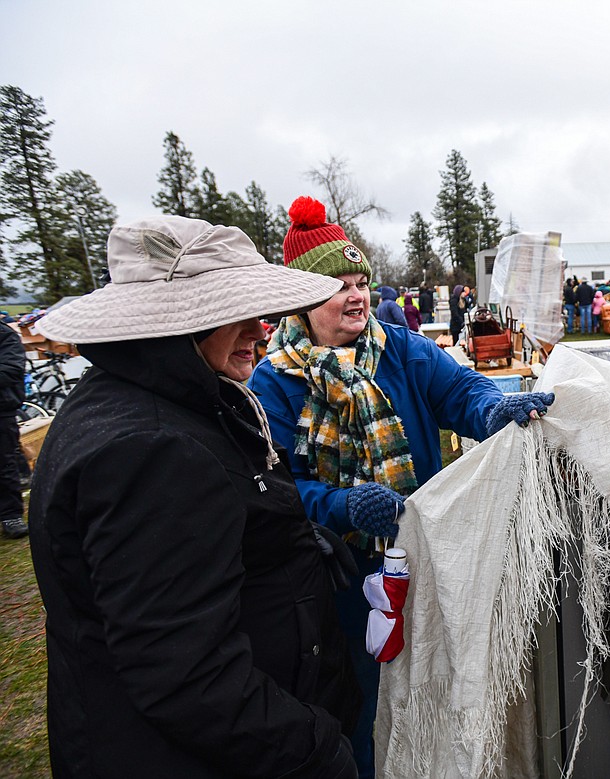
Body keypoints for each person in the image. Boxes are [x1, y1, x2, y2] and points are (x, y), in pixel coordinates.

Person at [28, 215, 362, 777]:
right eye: (240, 312)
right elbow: (187, 675)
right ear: (178, 324)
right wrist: (316, 750)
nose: (263, 328)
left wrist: (292, 543)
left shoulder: (152, 401)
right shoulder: (149, 449)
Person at [249, 196, 554, 779]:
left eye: (360, 280)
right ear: (303, 299)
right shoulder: (274, 381)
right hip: (337, 578)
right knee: (366, 702)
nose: (357, 295)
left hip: (417, 557)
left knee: (433, 679)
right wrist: (342, 505)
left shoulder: (399, 348)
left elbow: (460, 391)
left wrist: (492, 410)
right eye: (338, 284)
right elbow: (278, 490)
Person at [0, 321, 26, 539]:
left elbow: (11, 370)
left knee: (4, 464)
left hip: (1, 410)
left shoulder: (5, 335)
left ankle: (11, 515)